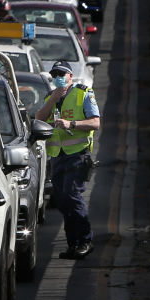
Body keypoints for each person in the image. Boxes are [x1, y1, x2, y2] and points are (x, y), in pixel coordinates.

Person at [35, 60, 100, 258]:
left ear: (71, 76)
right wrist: (52, 99)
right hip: (57, 157)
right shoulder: (50, 97)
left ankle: (85, 240)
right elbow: (38, 119)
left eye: (62, 74)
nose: (58, 78)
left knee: (73, 196)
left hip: (78, 154)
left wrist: (71, 124)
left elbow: (95, 122)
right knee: (62, 201)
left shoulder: (83, 93)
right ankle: (74, 244)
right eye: (55, 75)